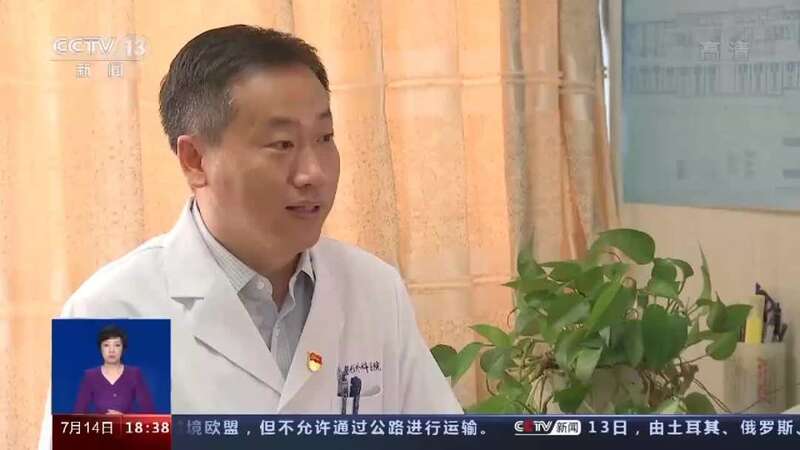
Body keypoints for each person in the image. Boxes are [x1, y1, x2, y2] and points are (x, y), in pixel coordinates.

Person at [40, 24, 461, 446]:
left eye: (325, 138)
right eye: (282, 144)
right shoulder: (116, 313)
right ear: (195, 160)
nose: (313, 172)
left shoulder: (372, 288)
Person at [73, 325, 155, 414]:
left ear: (123, 348)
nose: (111, 350)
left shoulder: (134, 374)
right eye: (106, 345)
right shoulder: (90, 376)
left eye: (117, 345)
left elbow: (150, 413)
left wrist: (123, 419)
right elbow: (78, 414)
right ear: (100, 348)